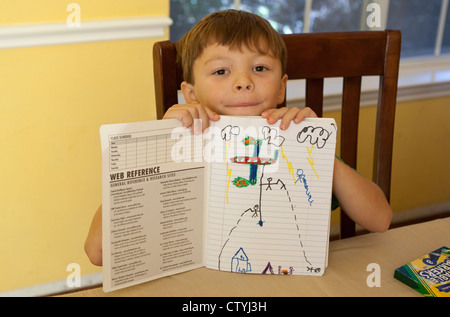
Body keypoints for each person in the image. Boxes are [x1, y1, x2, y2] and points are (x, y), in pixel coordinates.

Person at [84, 9, 392, 266]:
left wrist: (318, 153)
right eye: (221, 71)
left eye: (259, 68)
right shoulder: (177, 147)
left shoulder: (297, 142)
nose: (243, 82)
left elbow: (380, 220)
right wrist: (160, 145)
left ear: (282, 87)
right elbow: (98, 251)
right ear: (190, 93)